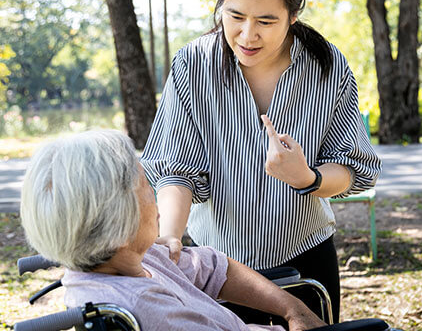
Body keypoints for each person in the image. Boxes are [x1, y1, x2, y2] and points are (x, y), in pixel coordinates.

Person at [141, 0, 381, 323]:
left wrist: (306, 177)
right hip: (218, 267)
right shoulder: (193, 64)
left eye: (266, 21)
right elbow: (175, 168)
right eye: (235, 16)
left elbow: (352, 169)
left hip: (307, 258)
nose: (247, 35)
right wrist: (170, 235)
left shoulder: (328, 66)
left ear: (293, 14)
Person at [19, 130, 326, 331]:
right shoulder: (152, 312)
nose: (156, 198)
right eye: (147, 188)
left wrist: (292, 308)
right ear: (119, 221)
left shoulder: (129, 257)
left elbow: (214, 266)